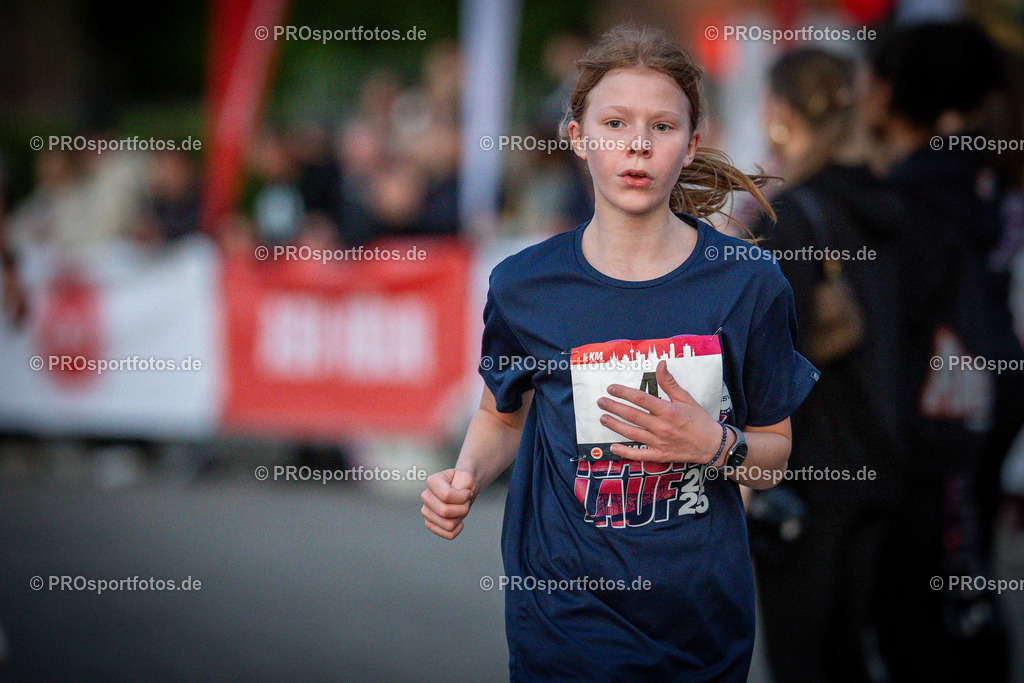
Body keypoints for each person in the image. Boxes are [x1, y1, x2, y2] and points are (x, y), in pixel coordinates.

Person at [420, 24, 818, 680]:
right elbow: (501, 416)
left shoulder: (749, 283)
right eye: (614, 122)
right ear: (577, 137)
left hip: (700, 620)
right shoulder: (525, 285)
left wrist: (713, 444)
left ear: (692, 144)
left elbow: (774, 453)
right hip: (564, 616)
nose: (637, 144)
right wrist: (462, 477)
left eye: (662, 127)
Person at [749, 48, 907, 682]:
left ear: (783, 114)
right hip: (884, 458)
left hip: (807, 472)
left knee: (802, 660)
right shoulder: (889, 206)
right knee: (851, 657)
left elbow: (766, 356)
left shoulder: (791, 215)